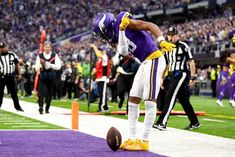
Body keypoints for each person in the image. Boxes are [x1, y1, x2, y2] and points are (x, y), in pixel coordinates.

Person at [92, 12, 175, 151]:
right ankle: (132, 138)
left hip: (154, 58)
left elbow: (149, 25)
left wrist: (161, 40)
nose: (100, 38)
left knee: (149, 100)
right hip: (144, 63)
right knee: (132, 100)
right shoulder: (116, 36)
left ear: (105, 28)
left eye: (100, 33)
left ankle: (144, 140)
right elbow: (124, 51)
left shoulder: (124, 20)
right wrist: (122, 32)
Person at [152, 27, 200, 131]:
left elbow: (191, 61)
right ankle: (195, 122)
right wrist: (162, 77)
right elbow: (167, 64)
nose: (170, 37)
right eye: (169, 35)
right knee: (183, 100)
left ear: (177, 35)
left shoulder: (183, 46)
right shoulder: (167, 48)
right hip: (172, 75)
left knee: (170, 96)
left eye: (172, 35)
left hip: (181, 74)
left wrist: (192, 77)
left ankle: (162, 122)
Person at [35, 41, 61, 114]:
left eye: (48, 47)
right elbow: (36, 65)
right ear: (43, 48)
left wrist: (50, 65)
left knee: (50, 92)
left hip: (51, 76)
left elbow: (58, 66)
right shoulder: (39, 56)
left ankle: (47, 107)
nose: (47, 48)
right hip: (42, 76)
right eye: (46, 47)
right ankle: (40, 107)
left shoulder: (54, 55)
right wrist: (39, 68)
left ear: (50, 48)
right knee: (41, 92)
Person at [0, 42, 24, 112]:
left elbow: (18, 65)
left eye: (3, 47)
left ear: (6, 47)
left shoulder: (12, 54)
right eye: (0, 48)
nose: (2, 49)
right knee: (0, 93)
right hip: (1, 76)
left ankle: (17, 107)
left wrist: (20, 74)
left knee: (14, 93)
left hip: (10, 76)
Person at [90, 44, 110, 112]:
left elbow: (98, 54)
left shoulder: (104, 57)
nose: (100, 51)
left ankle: (101, 107)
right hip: (99, 78)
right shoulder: (99, 60)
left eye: (101, 50)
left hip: (103, 78)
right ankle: (106, 107)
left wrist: (94, 47)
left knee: (102, 93)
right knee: (101, 93)